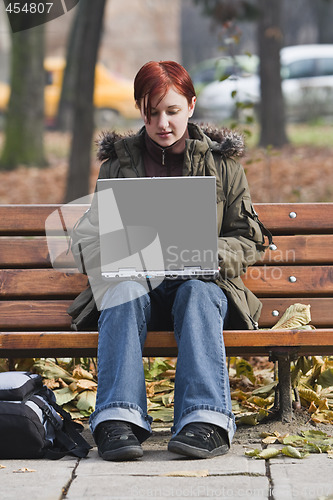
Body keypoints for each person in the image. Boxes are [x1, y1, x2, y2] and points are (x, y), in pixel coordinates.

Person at [69, 61, 270, 461]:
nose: (162, 123)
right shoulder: (117, 167)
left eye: (172, 111)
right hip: (138, 288)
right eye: (151, 112)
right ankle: (118, 421)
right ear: (140, 111)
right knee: (122, 290)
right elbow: (86, 240)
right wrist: (114, 253)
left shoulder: (223, 167)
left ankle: (205, 421)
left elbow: (249, 239)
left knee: (196, 293)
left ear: (191, 106)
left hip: (200, 289)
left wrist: (209, 253)